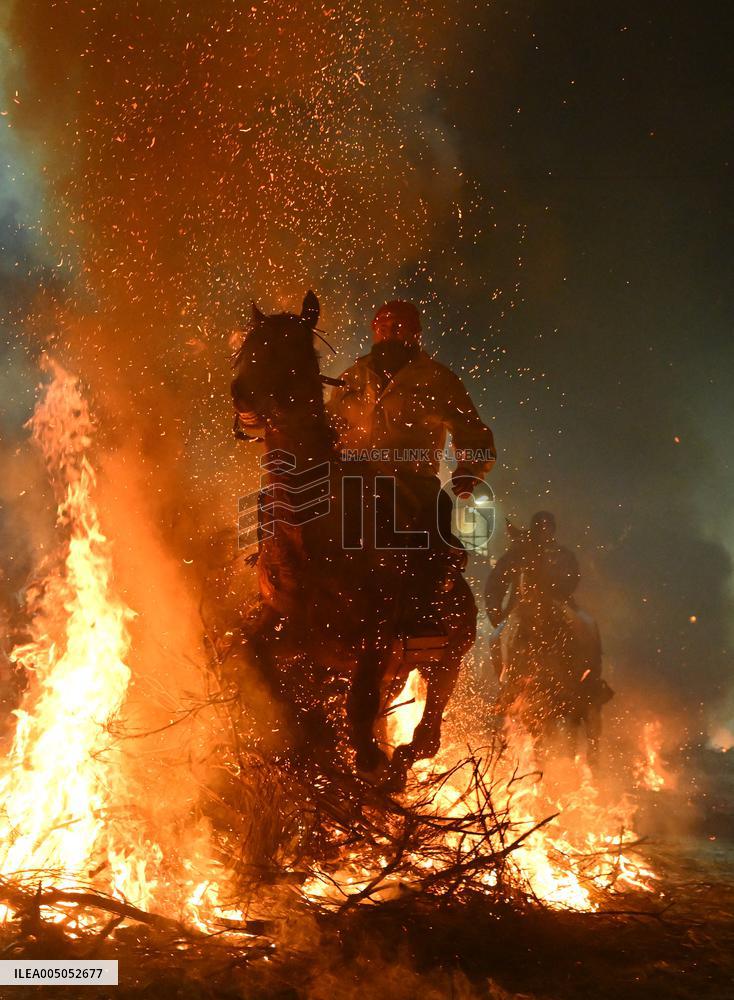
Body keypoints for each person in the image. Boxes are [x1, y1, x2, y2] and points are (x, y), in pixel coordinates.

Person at [328, 300, 496, 767]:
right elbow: (329, 428)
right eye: (384, 328)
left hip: (413, 483)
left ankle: (426, 621)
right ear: (374, 332)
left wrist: (468, 471)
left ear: (415, 334)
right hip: (354, 479)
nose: (392, 335)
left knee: (434, 552)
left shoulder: (437, 379)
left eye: (401, 329)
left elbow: (473, 432)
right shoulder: (353, 377)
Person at [485, 511, 579, 627]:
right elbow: (496, 582)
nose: (545, 531)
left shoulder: (563, 555)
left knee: (589, 625)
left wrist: (557, 591)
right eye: (541, 528)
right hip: (519, 609)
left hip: (561, 606)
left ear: (553, 529)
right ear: (535, 530)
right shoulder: (519, 553)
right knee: (496, 639)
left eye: (548, 527)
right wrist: (495, 614)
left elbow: (573, 577)